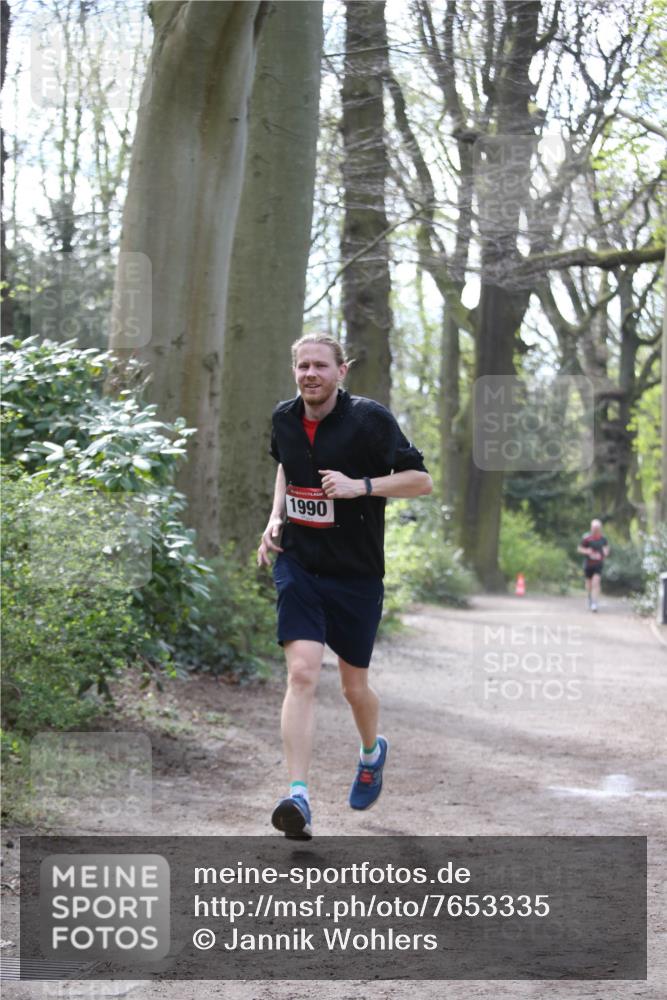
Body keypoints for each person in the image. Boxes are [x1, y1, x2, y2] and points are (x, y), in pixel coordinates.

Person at [257, 333, 433, 839]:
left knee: (354, 687)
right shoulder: (284, 418)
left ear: (342, 371)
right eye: (303, 366)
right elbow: (286, 468)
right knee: (303, 674)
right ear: (295, 371)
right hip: (300, 562)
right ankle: (298, 796)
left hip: (355, 572)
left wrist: (363, 486)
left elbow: (420, 481)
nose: (310, 374)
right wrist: (275, 517)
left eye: (320, 366)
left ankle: (371, 752)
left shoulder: (369, 420)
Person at [577, 519, 610, 612]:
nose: (595, 530)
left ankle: (594, 603)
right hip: (588, 564)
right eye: (594, 528)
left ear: (600, 528)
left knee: (596, 582)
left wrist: (604, 553)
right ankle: (590, 598)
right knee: (589, 584)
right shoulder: (586, 538)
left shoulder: (603, 539)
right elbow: (579, 549)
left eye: (597, 528)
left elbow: (606, 550)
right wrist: (587, 551)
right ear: (591, 528)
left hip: (598, 564)